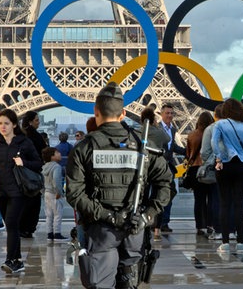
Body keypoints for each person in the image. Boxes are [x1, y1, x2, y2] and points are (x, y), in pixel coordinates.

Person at [66, 82, 172, 288]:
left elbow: (75, 194)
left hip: (101, 231)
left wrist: (109, 216)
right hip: (134, 229)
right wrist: (146, 216)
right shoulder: (143, 146)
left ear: (96, 111)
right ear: (123, 113)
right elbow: (165, 184)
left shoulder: (84, 148)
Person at [0, 108, 42, 274]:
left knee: (11, 223)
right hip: (1, 191)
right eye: (0, 123)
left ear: (14, 125)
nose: (2, 127)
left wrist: (23, 162)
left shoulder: (24, 142)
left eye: (6, 123)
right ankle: (17, 260)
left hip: (19, 191)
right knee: (11, 226)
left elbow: (38, 163)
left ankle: (11, 259)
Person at [212, 98, 243, 253]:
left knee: (224, 203)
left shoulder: (220, 124)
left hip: (225, 164)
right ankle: (241, 242)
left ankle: (224, 243)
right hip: (242, 165)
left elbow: (214, 143)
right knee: (239, 204)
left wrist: (219, 157)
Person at [140, 107, 169, 241]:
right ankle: (157, 228)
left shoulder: (138, 131)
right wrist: (158, 126)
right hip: (157, 167)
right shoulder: (158, 132)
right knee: (158, 195)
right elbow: (168, 138)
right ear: (154, 118)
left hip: (143, 167)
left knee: (143, 196)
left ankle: (142, 224)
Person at [157, 103, 186, 233]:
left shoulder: (173, 130)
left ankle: (164, 222)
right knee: (157, 195)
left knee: (169, 194)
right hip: (157, 168)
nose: (169, 115)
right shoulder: (156, 129)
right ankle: (156, 222)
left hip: (168, 167)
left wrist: (189, 152)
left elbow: (173, 147)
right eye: (167, 113)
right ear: (161, 114)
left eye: (171, 113)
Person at [20, 111, 48, 238]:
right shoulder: (34, 136)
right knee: (34, 201)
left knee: (27, 201)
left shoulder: (24, 135)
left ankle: (24, 227)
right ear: (30, 122)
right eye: (37, 120)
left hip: (25, 172)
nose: (39, 122)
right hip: (33, 172)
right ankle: (28, 227)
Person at [186, 111, 214, 236]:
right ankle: (210, 224)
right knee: (212, 198)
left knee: (199, 199)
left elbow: (188, 154)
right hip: (209, 168)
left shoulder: (192, 135)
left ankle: (200, 226)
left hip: (195, 169)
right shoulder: (213, 134)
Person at [200, 104, 223, 240]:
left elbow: (204, 152)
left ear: (215, 115)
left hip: (215, 166)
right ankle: (231, 230)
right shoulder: (232, 127)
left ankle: (218, 229)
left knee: (215, 199)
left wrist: (209, 161)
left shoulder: (210, 129)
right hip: (231, 166)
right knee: (229, 200)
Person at [42, 147, 68, 241]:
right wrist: (59, 192)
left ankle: (50, 234)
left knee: (49, 215)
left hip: (47, 192)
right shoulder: (56, 167)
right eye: (57, 153)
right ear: (52, 156)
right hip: (54, 193)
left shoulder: (44, 167)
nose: (60, 154)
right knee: (58, 214)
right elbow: (56, 181)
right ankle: (57, 234)